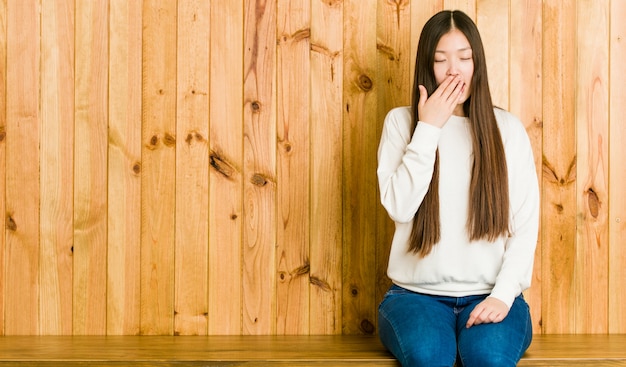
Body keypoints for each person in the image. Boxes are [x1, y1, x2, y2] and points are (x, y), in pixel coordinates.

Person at [376, 9, 539, 367]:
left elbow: (524, 228)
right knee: (428, 357)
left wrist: (501, 297)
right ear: (426, 66)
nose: (454, 69)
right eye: (440, 59)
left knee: (489, 358)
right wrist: (429, 129)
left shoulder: (507, 129)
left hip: (492, 294)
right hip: (415, 296)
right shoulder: (401, 123)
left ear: (476, 63)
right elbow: (400, 208)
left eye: (464, 58)